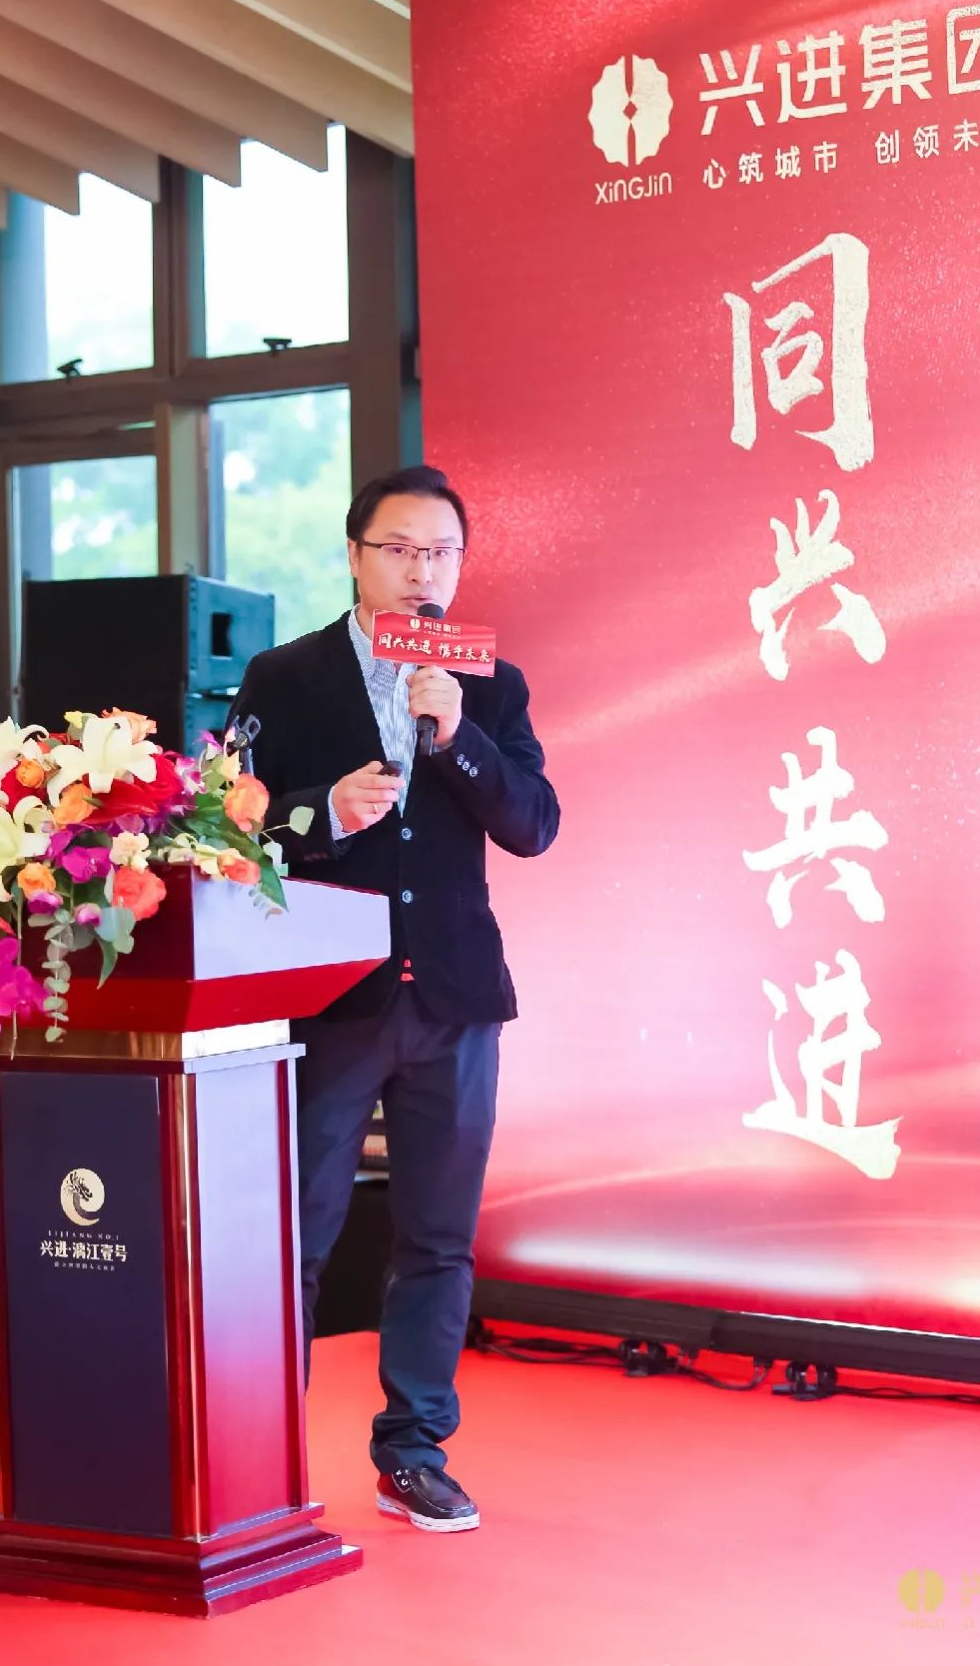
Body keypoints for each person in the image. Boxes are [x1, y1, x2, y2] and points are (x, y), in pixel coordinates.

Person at [230, 464, 559, 1533]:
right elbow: (229, 827)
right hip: (328, 1000)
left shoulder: (489, 684)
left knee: (438, 1239)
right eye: (401, 550)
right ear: (355, 555)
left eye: (440, 553)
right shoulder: (285, 676)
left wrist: (458, 736)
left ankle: (414, 1450)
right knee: (296, 1235)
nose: (422, 571)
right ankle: (257, 1453)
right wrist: (321, 812)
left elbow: (534, 824)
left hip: (455, 997)